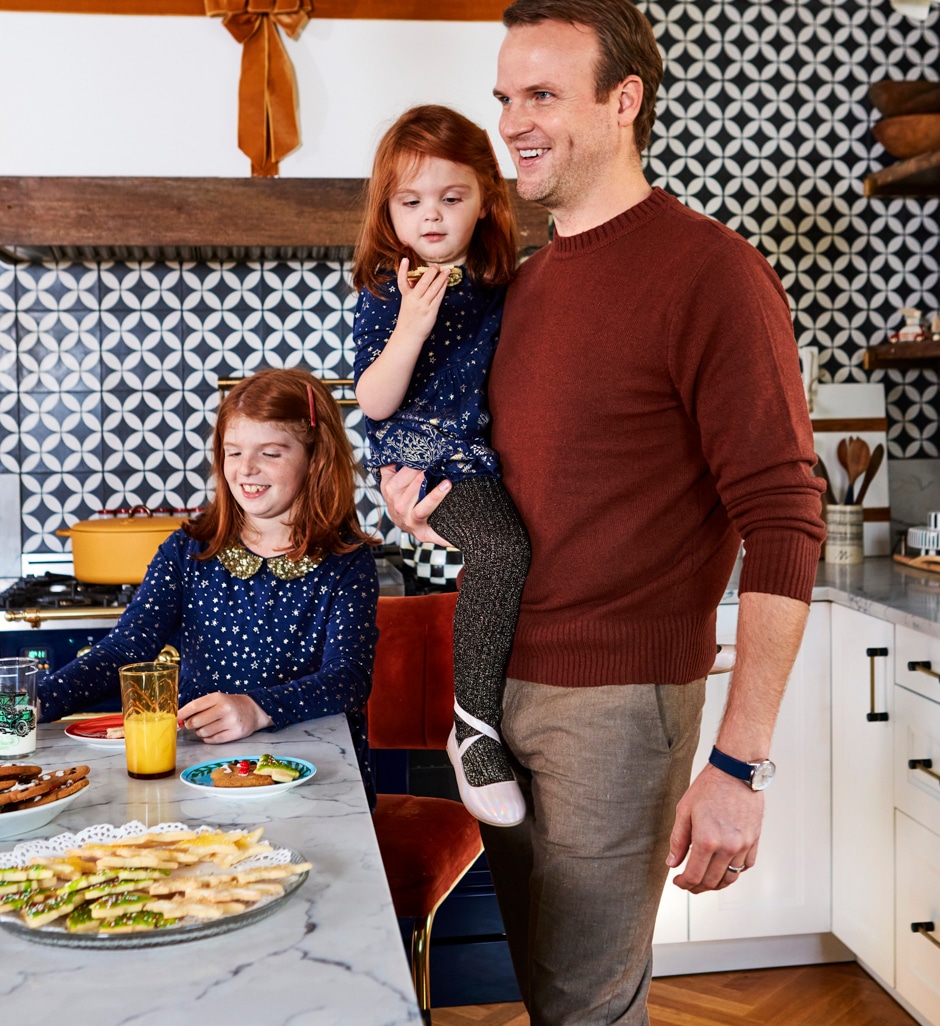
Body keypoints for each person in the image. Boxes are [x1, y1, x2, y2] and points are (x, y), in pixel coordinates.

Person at [379, 1, 827, 1023]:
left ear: (624, 101)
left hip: (618, 706)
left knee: (586, 1004)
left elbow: (784, 515)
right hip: (497, 693)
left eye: (543, 93)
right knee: (546, 991)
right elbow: (538, 485)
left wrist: (738, 762)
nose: (514, 122)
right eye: (504, 97)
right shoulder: (523, 284)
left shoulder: (709, 272)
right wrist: (433, 513)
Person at [38, 368, 380, 798]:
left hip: (315, 775)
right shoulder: (187, 551)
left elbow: (348, 678)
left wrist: (258, 709)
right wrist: (33, 704)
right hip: (202, 772)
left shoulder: (347, 561)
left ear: (316, 457)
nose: (246, 469)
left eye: (271, 453)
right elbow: (125, 649)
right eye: (232, 452)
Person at [352, 104, 531, 827]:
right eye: (411, 201)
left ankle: (480, 721)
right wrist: (412, 324)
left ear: (485, 199)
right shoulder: (384, 288)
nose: (431, 216)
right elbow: (373, 399)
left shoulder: (500, 283)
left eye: (452, 199)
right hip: (422, 460)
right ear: (386, 208)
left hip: (479, 455)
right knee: (501, 546)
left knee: (507, 548)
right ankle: (474, 731)